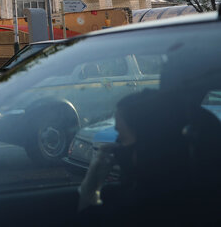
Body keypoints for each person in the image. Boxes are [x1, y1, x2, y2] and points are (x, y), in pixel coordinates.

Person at [77, 90, 221, 225]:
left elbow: (85, 221)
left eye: (122, 136)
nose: (116, 145)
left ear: (147, 148)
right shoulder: (201, 197)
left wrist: (92, 184)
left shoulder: (136, 209)